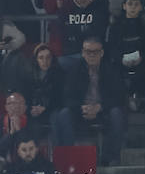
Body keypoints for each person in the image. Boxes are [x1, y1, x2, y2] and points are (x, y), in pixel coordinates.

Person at [52, 36, 128, 165]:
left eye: (95, 52)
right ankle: (67, 158)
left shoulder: (110, 69)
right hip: (81, 110)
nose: (92, 55)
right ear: (82, 53)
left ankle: (110, 158)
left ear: (102, 53)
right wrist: (81, 107)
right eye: (88, 52)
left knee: (117, 114)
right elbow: (67, 97)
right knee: (63, 114)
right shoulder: (74, 70)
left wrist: (100, 107)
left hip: (103, 110)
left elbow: (119, 97)